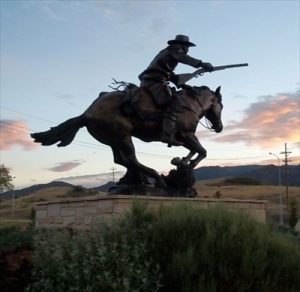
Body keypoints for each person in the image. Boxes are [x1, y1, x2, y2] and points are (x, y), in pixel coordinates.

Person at [139, 34, 213, 147]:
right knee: (174, 103)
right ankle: (167, 135)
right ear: (180, 45)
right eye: (186, 46)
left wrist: (184, 85)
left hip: (155, 80)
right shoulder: (175, 51)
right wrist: (201, 64)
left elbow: (169, 74)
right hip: (154, 82)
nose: (187, 49)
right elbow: (183, 58)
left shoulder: (168, 53)